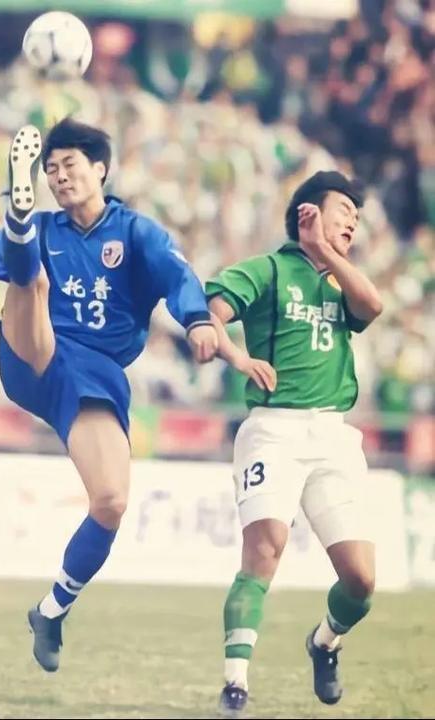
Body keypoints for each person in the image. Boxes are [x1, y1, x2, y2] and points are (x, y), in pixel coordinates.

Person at [0, 117, 221, 673]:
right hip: (32, 353)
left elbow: (178, 277)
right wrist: (22, 231)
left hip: (94, 376)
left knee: (111, 501)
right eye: (49, 170)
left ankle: (51, 610)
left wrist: (197, 320)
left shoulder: (136, 233)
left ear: (101, 169)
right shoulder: (48, 228)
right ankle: (16, 223)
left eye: (68, 165)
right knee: (29, 277)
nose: (58, 177)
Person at [205, 171, 383, 714]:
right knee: (265, 548)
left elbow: (373, 306)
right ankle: (235, 681)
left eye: (356, 217)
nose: (352, 222)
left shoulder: (342, 280)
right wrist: (238, 356)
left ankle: (324, 643)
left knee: (361, 580)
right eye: (343, 210)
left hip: (333, 435)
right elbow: (212, 313)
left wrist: (324, 250)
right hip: (274, 429)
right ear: (309, 212)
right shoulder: (268, 269)